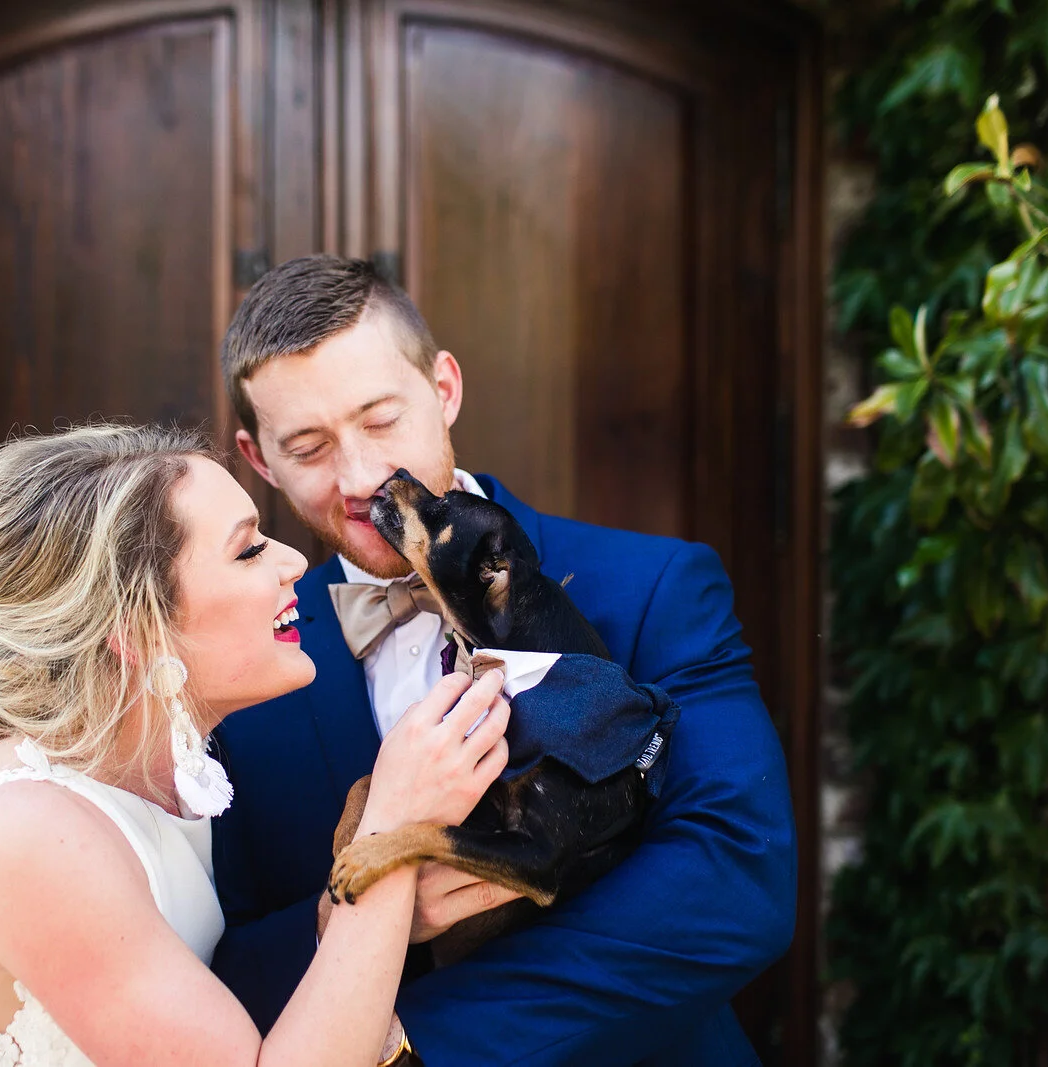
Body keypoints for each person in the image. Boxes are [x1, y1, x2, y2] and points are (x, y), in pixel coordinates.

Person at [209, 256, 798, 1065]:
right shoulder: (233, 665)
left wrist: (426, 1039)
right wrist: (369, 915)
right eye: (307, 446)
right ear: (258, 457)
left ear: (444, 388)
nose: (360, 478)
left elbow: (737, 878)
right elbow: (226, 966)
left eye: (381, 421)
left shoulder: (654, 587)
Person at [0, 423, 511, 1066]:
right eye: (248, 551)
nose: (294, 562)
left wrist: (342, 918)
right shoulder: (29, 831)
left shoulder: (157, 770)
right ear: (137, 626)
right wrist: (392, 828)